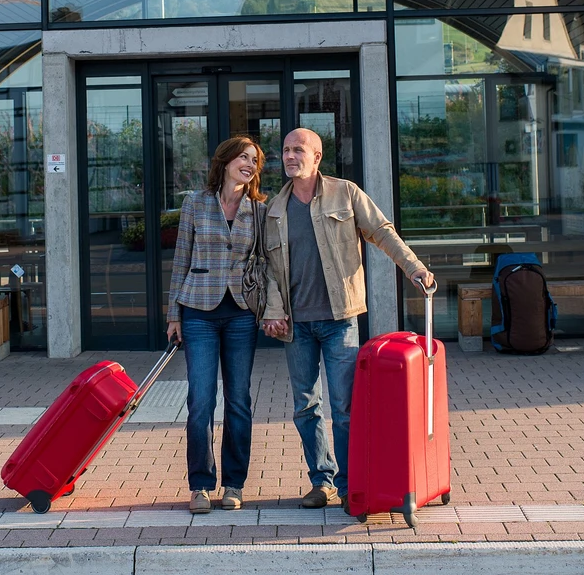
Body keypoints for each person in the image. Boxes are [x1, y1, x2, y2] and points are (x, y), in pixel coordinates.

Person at [260, 128, 434, 509]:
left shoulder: (346, 192)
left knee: (345, 409)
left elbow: (382, 232)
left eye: (298, 150)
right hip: (296, 326)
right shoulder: (274, 209)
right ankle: (321, 481)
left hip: (340, 319)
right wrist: (273, 310)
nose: (290, 156)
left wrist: (414, 268)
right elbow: (268, 269)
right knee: (306, 407)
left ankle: (351, 483)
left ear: (317, 156)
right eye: (286, 150)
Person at [165, 135, 266, 514]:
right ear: (224, 161)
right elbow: (180, 259)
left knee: (238, 400)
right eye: (243, 157)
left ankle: (234, 483)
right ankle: (201, 486)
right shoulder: (195, 203)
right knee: (200, 401)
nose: (249, 164)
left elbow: (266, 263)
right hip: (198, 311)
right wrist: (173, 314)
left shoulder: (259, 208)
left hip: (241, 312)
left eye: (254, 160)